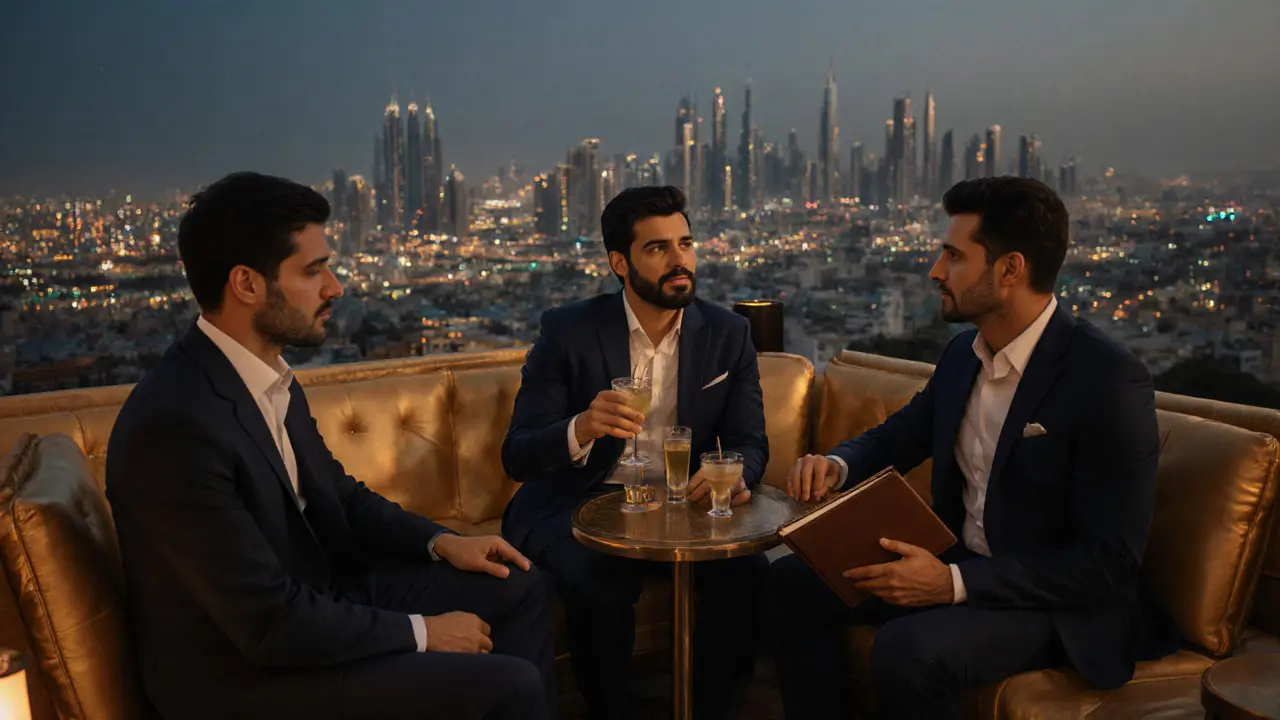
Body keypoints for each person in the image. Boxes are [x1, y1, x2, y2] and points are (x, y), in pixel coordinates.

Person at [106, 172, 557, 720]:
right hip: (246, 677)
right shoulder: (175, 426)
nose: (335, 287)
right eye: (314, 270)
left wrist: (442, 542)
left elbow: (339, 496)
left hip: (319, 602)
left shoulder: (264, 375)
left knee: (522, 587)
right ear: (247, 284)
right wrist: (423, 633)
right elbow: (266, 621)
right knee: (509, 686)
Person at [766, 177, 1178, 719]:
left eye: (954, 256)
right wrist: (837, 464)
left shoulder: (1107, 380)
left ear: (1009, 270)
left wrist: (952, 583)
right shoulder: (965, 354)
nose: (936, 271)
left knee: (908, 651)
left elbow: (1108, 565)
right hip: (961, 560)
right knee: (789, 582)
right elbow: (900, 435)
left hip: (1053, 603)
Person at [501, 186, 769, 720]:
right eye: (658, 248)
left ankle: (707, 707)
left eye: (686, 244)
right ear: (620, 263)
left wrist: (735, 476)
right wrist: (581, 426)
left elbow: (750, 442)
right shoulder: (567, 330)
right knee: (597, 584)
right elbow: (518, 454)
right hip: (580, 500)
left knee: (749, 572)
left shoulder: (728, 333)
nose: (679, 261)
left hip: (681, 502)